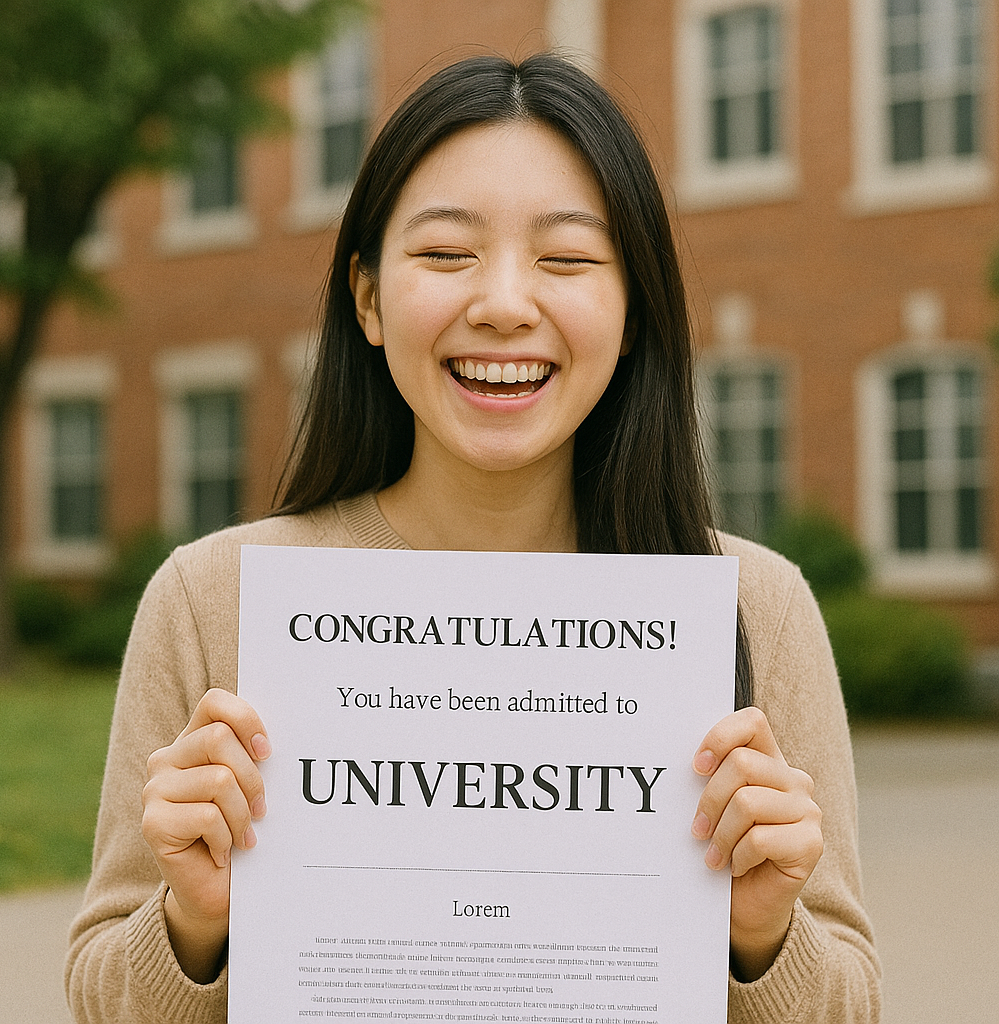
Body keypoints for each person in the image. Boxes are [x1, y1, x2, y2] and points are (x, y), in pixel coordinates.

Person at [66, 53, 880, 1024]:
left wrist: (761, 937)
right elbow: (99, 996)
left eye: (568, 260)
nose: (501, 303)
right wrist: (193, 922)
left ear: (630, 316)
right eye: (446, 254)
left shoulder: (756, 602)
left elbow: (850, 1001)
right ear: (366, 298)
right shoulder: (213, 596)